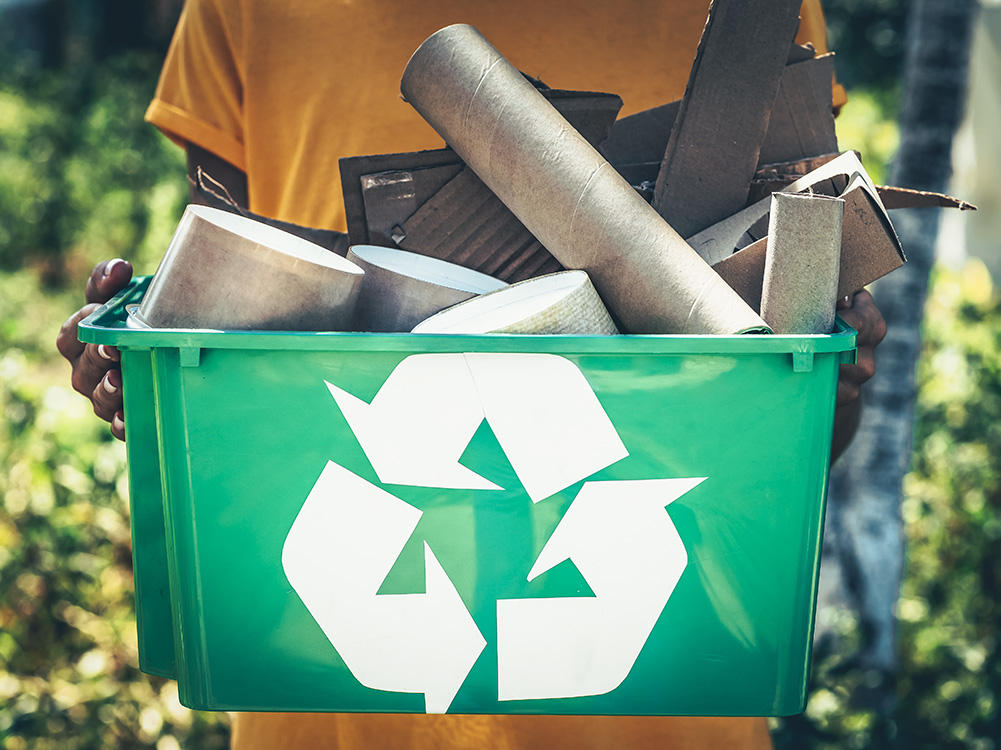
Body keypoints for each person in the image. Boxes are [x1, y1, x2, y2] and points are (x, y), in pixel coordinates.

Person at [56, 1, 886, 748]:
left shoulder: (746, 15)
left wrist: (824, 379)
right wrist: (153, 380)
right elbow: (221, 306)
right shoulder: (253, 9)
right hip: (323, 710)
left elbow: (789, 448)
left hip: (669, 715)